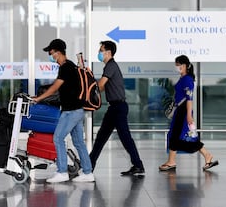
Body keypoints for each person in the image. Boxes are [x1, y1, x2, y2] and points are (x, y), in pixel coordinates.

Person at [33, 38, 94, 183]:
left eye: (51, 52)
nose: (50, 55)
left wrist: (39, 99)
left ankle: (62, 172)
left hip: (71, 111)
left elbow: (55, 87)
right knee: (78, 141)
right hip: (77, 110)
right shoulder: (71, 66)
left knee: (58, 138)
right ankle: (87, 172)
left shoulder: (65, 67)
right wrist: (40, 96)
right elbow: (60, 90)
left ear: (58, 53)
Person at [89, 40, 145, 176]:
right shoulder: (109, 66)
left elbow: (101, 85)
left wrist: (89, 90)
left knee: (125, 138)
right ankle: (89, 165)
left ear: (108, 52)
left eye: (101, 50)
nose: (99, 53)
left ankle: (138, 165)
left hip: (118, 108)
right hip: (114, 107)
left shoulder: (111, 66)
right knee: (101, 137)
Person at [159, 55, 219, 171]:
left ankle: (173, 161)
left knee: (178, 136)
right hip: (180, 111)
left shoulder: (187, 79)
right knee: (177, 135)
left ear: (185, 65)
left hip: (183, 111)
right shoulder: (183, 78)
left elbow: (189, 98)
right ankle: (205, 155)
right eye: (176, 65)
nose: (177, 67)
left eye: (179, 64)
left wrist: (189, 115)